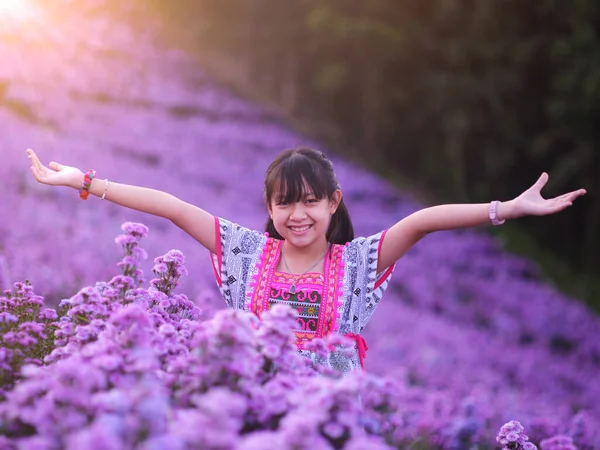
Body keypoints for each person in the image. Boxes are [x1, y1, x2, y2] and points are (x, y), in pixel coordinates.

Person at [25, 147, 587, 373]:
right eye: (285, 201)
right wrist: (86, 182)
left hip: (328, 425)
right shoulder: (246, 251)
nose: (298, 214)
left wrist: (507, 209)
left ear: (332, 202)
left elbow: (422, 221)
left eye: (310, 200)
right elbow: (171, 207)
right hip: (251, 404)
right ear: (270, 207)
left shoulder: (359, 262)